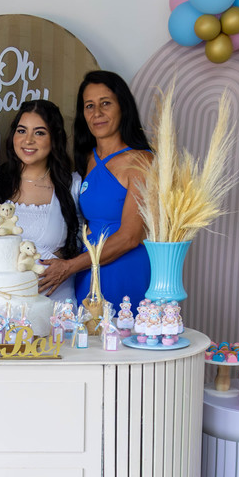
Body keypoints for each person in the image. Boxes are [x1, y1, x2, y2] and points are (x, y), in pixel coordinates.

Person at [41, 71, 152, 311]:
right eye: (89, 106)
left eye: (106, 103)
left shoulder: (141, 161)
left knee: (123, 331)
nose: (97, 113)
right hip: (87, 271)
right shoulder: (87, 159)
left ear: (123, 107)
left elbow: (130, 237)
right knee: (84, 333)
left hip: (123, 269)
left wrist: (69, 267)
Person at [0, 100, 81, 303]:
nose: (28, 140)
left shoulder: (72, 185)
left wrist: (68, 264)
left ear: (54, 138)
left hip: (56, 303)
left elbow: (83, 240)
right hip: (1, 303)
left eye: (39, 133)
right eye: (21, 131)